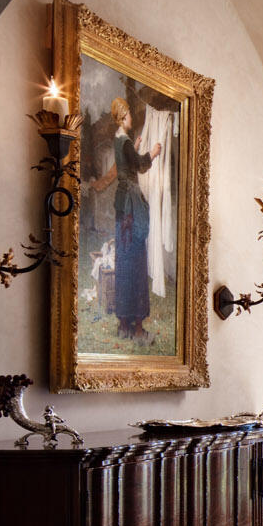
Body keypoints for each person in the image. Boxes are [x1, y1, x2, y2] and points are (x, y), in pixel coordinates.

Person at [101, 97, 161, 342]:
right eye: (130, 116)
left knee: (124, 261)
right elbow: (139, 165)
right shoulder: (124, 141)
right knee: (135, 262)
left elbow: (127, 163)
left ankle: (124, 323)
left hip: (122, 204)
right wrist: (153, 153)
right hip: (131, 207)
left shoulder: (119, 139)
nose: (132, 119)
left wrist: (134, 149)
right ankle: (137, 327)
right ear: (124, 116)